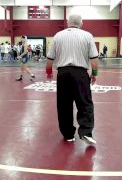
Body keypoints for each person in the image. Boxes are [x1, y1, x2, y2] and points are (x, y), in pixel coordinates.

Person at [46, 14, 99, 145]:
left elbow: (50, 58)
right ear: (81, 23)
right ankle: (86, 132)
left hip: (63, 74)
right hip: (80, 74)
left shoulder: (58, 35)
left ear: (67, 22)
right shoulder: (87, 36)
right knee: (85, 103)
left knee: (64, 105)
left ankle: (68, 134)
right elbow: (94, 59)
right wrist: (94, 74)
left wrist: (48, 72)